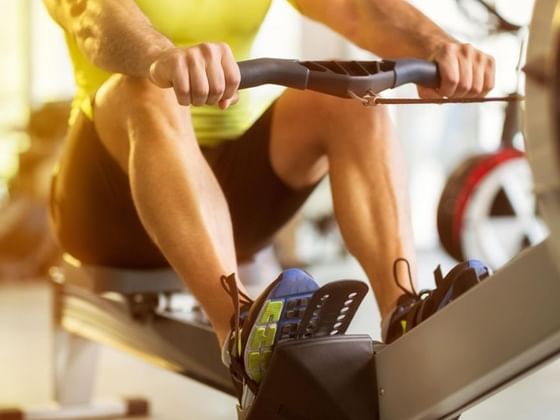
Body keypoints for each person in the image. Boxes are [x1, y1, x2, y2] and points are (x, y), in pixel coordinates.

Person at [44, 0, 495, 411]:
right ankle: (243, 339)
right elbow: (93, 18)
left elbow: (356, 9)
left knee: (351, 97)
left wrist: (436, 47)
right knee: (147, 89)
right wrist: (159, 54)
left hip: (227, 199)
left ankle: (404, 316)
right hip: (107, 203)